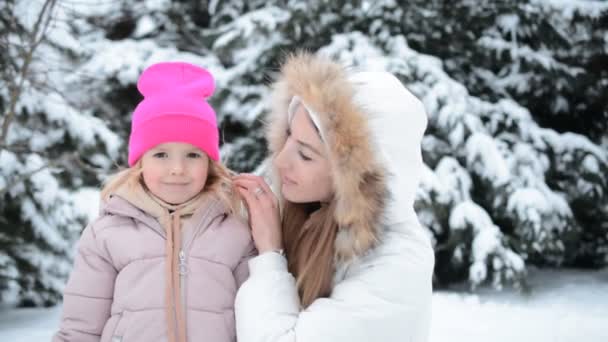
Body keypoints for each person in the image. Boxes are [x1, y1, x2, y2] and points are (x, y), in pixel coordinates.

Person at [232, 52, 434, 342]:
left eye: (305, 153)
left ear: (354, 179)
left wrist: (269, 257)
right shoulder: (311, 219)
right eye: (288, 136)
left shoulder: (395, 266)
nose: (280, 160)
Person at [53, 62, 255, 342]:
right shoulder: (106, 234)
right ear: (139, 161)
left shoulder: (235, 232)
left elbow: (256, 325)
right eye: (161, 155)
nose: (177, 168)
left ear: (209, 163)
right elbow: (80, 328)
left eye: (193, 155)